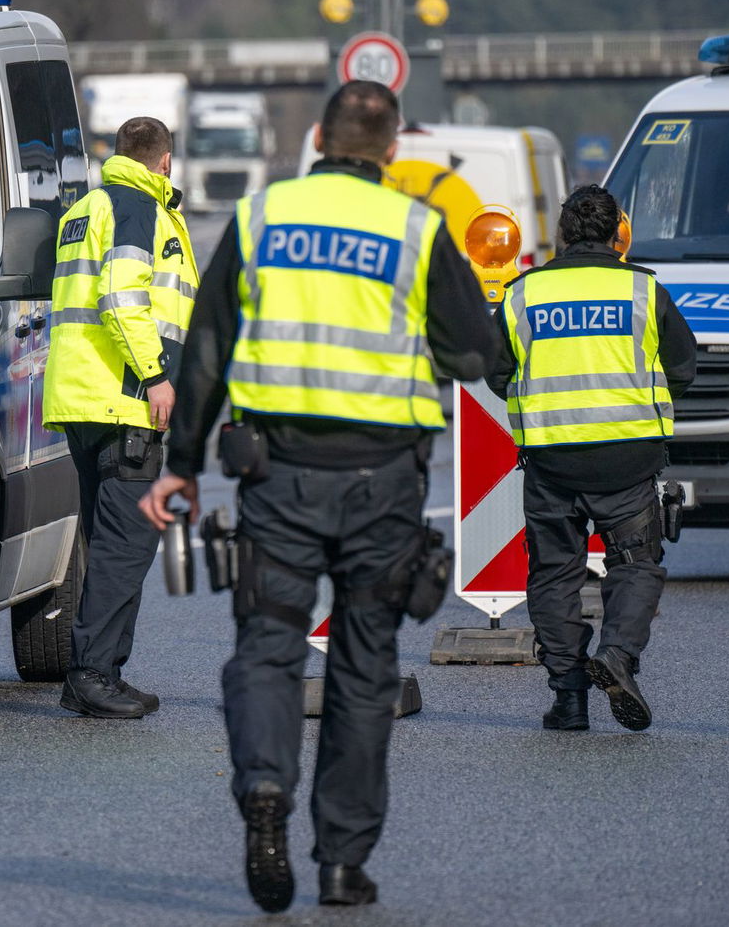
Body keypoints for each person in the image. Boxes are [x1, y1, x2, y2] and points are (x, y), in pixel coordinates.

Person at [141, 81, 500, 911]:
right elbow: (474, 355)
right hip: (384, 484)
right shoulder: (416, 228)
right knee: (366, 670)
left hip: (278, 477)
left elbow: (207, 345)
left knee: (268, 646)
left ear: (315, 137)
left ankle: (265, 784)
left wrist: (182, 463)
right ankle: (342, 862)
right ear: (394, 149)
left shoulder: (261, 217)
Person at [486, 184, 695, 733]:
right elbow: (683, 368)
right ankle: (618, 655)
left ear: (562, 234)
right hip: (629, 458)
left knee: (555, 574)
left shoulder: (522, 294)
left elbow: (496, 372)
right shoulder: (643, 290)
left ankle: (570, 700)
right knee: (635, 564)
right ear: (617, 234)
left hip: (552, 460)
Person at [41, 116, 198, 719]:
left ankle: (102, 672)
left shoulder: (86, 209)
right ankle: (90, 675)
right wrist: (155, 376)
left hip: (82, 399)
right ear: (164, 161)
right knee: (125, 546)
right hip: (123, 398)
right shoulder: (137, 209)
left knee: (108, 541)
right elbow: (122, 298)